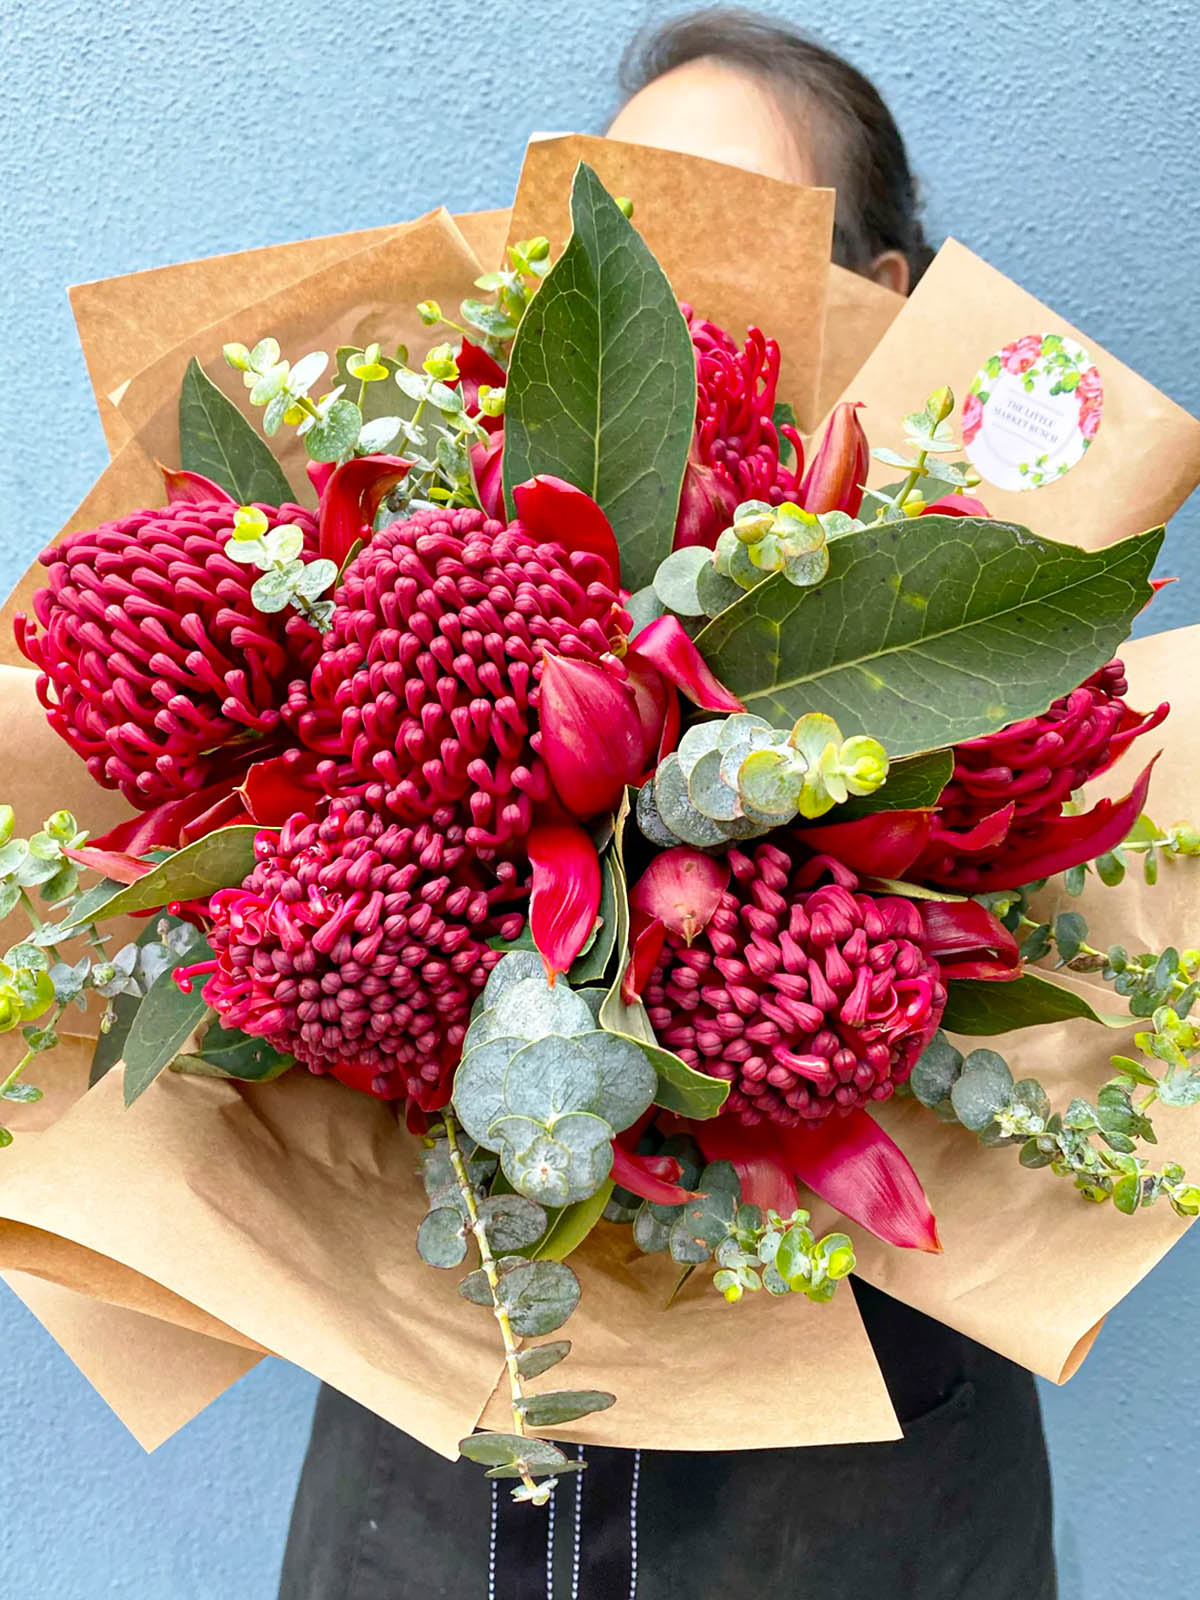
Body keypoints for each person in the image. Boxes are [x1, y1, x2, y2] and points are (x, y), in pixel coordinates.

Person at [278, 13, 1056, 1598]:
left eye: (733, 228)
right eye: (611, 231)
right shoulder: (426, 555)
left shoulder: (992, 625)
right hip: (443, 1473)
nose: (655, 285)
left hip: (853, 1475)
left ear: (881, 295)